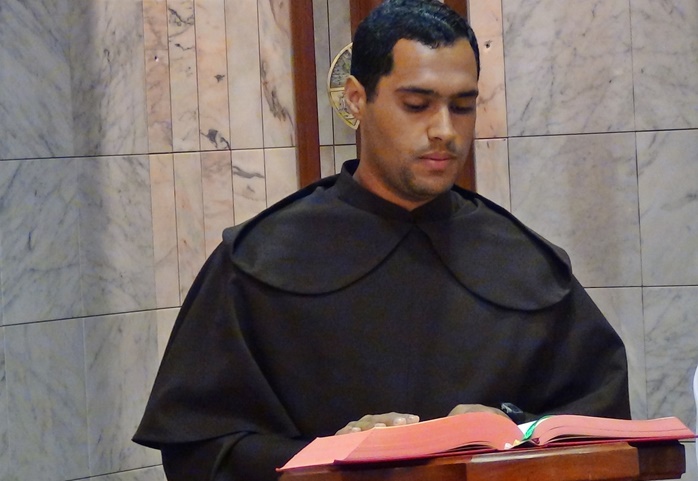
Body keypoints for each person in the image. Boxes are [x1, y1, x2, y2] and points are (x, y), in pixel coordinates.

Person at [133, 1, 630, 479]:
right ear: (356, 98)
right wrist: (329, 456)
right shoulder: (258, 261)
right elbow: (200, 450)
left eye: (462, 107)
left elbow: (605, 428)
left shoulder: (526, 263)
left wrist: (512, 427)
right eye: (417, 105)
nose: (444, 130)